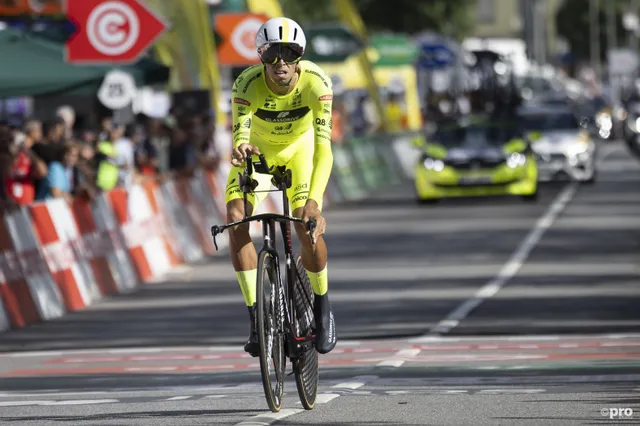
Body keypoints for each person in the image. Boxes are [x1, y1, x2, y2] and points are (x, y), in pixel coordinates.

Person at [226, 17, 336, 356]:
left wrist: (315, 202)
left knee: (306, 224)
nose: (280, 63)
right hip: (259, 156)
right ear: (261, 55)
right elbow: (240, 136)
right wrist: (241, 147)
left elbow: (323, 149)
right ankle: (256, 318)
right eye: (272, 54)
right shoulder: (245, 85)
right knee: (235, 218)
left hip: (299, 155)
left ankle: (322, 304)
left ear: (299, 56)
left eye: (289, 54)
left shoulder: (318, 84)